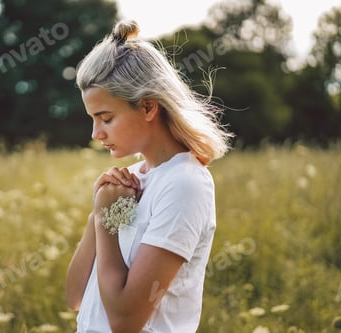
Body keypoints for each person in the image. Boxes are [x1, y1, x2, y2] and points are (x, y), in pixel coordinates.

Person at [65, 19, 232, 333]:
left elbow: (125, 321)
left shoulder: (185, 183)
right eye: (93, 119)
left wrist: (108, 221)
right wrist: (98, 218)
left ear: (147, 107)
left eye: (106, 118)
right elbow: (75, 297)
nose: (95, 134)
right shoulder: (126, 181)